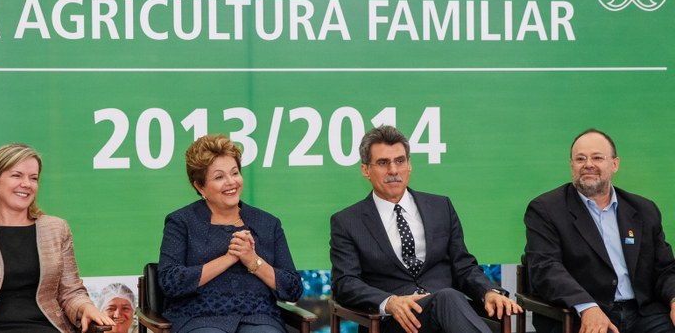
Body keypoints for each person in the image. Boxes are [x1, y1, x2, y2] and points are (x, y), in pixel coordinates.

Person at [330, 125, 521, 333]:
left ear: (409, 165)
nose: (393, 171)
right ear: (365, 170)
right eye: (383, 163)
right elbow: (345, 283)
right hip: (395, 321)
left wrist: (488, 291)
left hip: (449, 313)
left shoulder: (440, 207)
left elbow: (463, 266)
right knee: (448, 298)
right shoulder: (348, 221)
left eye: (400, 161)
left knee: (450, 300)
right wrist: (390, 302)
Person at [0, 143, 114, 333]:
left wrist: (87, 308)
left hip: (45, 328)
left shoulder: (56, 229)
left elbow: (71, 292)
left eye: (33, 178)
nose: (26, 184)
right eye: (17, 175)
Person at [524, 129, 675, 333]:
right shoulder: (546, 209)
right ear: (571, 165)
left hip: (644, 314)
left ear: (615, 164)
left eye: (597, 157)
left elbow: (665, 269)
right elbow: (545, 268)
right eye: (580, 159)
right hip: (581, 313)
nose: (588, 164)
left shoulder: (644, 210)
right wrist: (586, 306)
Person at [157, 134, 302, 333]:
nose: (231, 182)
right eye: (219, 177)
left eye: (235, 173)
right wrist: (229, 258)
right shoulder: (182, 222)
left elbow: (293, 289)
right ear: (199, 186)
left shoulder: (268, 223)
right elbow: (171, 282)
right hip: (198, 320)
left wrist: (253, 261)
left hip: (259, 319)